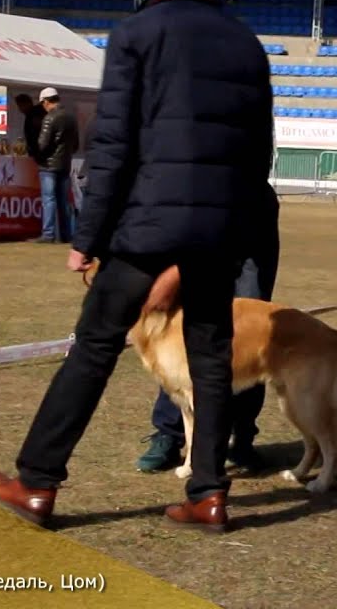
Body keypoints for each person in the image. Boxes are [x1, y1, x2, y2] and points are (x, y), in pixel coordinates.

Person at [0, 0, 275, 533]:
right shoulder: (246, 44)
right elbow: (258, 151)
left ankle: (38, 481)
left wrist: (85, 239)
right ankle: (208, 492)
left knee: (93, 348)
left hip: (147, 225)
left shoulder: (135, 34)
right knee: (212, 358)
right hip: (218, 229)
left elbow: (112, 145)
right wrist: (240, 227)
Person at [138, 183, 280, 474]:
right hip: (201, 214)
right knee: (178, 336)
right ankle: (169, 434)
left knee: (250, 340)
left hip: (250, 216)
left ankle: (241, 439)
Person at [33, 88, 79, 244]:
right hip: (65, 164)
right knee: (63, 200)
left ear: (46, 101)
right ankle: (66, 235)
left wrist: (37, 155)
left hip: (48, 165)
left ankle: (48, 233)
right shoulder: (71, 118)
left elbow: (43, 144)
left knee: (49, 199)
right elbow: (75, 145)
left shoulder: (50, 118)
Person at [14, 93, 46, 162]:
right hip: (37, 154)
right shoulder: (33, 114)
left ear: (27, 103)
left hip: (39, 154)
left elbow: (36, 135)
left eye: (20, 105)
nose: (20, 109)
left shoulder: (35, 115)